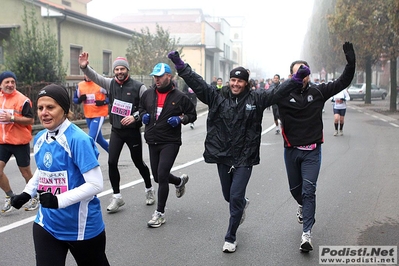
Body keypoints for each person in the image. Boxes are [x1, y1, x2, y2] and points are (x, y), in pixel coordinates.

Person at [168, 50, 310, 253]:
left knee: (234, 197)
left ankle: (231, 236)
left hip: (245, 156)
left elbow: (277, 93)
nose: (235, 84)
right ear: (229, 81)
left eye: (240, 81)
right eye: (233, 80)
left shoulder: (257, 99)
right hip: (223, 155)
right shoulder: (216, 96)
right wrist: (180, 65)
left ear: (246, 83)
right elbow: (197, 82)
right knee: (229, 196)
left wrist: (296, 79)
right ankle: (242, 204)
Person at [11, 84, 110, 266]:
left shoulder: (78, 140)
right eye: (40, 108)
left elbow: (96, 185)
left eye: (50, 107)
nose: (44, 113)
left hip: (81, 229)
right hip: (47, 224)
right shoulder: (41, 138)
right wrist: (27, 193)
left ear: (64, 110)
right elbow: (43, 170)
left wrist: (58, 201)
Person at [276, 42, 356, 252]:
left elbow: (342, 81)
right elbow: (263, 100)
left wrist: (351, 63)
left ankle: (307, 234)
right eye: (298, 73)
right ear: (291, 76)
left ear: (309, 75)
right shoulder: (282, 95)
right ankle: (301, 205)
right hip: (291, 150)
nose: (302, 76)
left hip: (312, 151)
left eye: (305, 73)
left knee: (309, 190)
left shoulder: (318, 92)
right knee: (296, 191)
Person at [78, 53, 155, 211]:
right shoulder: (110, 83)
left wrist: (134, 117)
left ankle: (149, 189)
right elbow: (95, 76)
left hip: (132, 131)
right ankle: (117, 197)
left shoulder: (138, 87)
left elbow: (148, 108)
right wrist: (85, 67)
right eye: (117, 69)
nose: (119, 72)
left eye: (122, 69)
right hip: (116, 130)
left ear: (127, 70)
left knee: (138, 162)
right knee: (112, 162)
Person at [140, 63, 197, 228]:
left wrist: (180, 119)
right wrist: (143, 115)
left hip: (170, 141)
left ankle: (160, 213)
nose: (156, 79)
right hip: (152, 139)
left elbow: (192, 114)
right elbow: (141, 107)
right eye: (155, 76)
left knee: (162, 174)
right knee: (157, 177)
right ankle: (179, 181)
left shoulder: (179, 96)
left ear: (169, 77)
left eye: (160, 76)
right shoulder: (148, 94)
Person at [0, 71, 38, 213]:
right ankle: (10, 196)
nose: (10, 85)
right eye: (7, 82)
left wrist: (12, 118)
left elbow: (31, 120)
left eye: (13, 82)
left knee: (25, 173)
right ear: (1, 84)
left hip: (19, 141)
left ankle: (34, 196)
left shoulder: (22, 100)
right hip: (3, 141)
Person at [73, 73, 109, 152]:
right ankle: (114, 154)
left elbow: (111, 96)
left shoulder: (100, 84)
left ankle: (91, 161)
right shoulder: (80, 85)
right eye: (86, 74)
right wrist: (80, 99)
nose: (88, 76)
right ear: (84, 75)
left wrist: (103, 102)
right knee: (99, 139)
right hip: (88, 115)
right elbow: (75, 100)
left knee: (91, 138)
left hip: (99, 114)